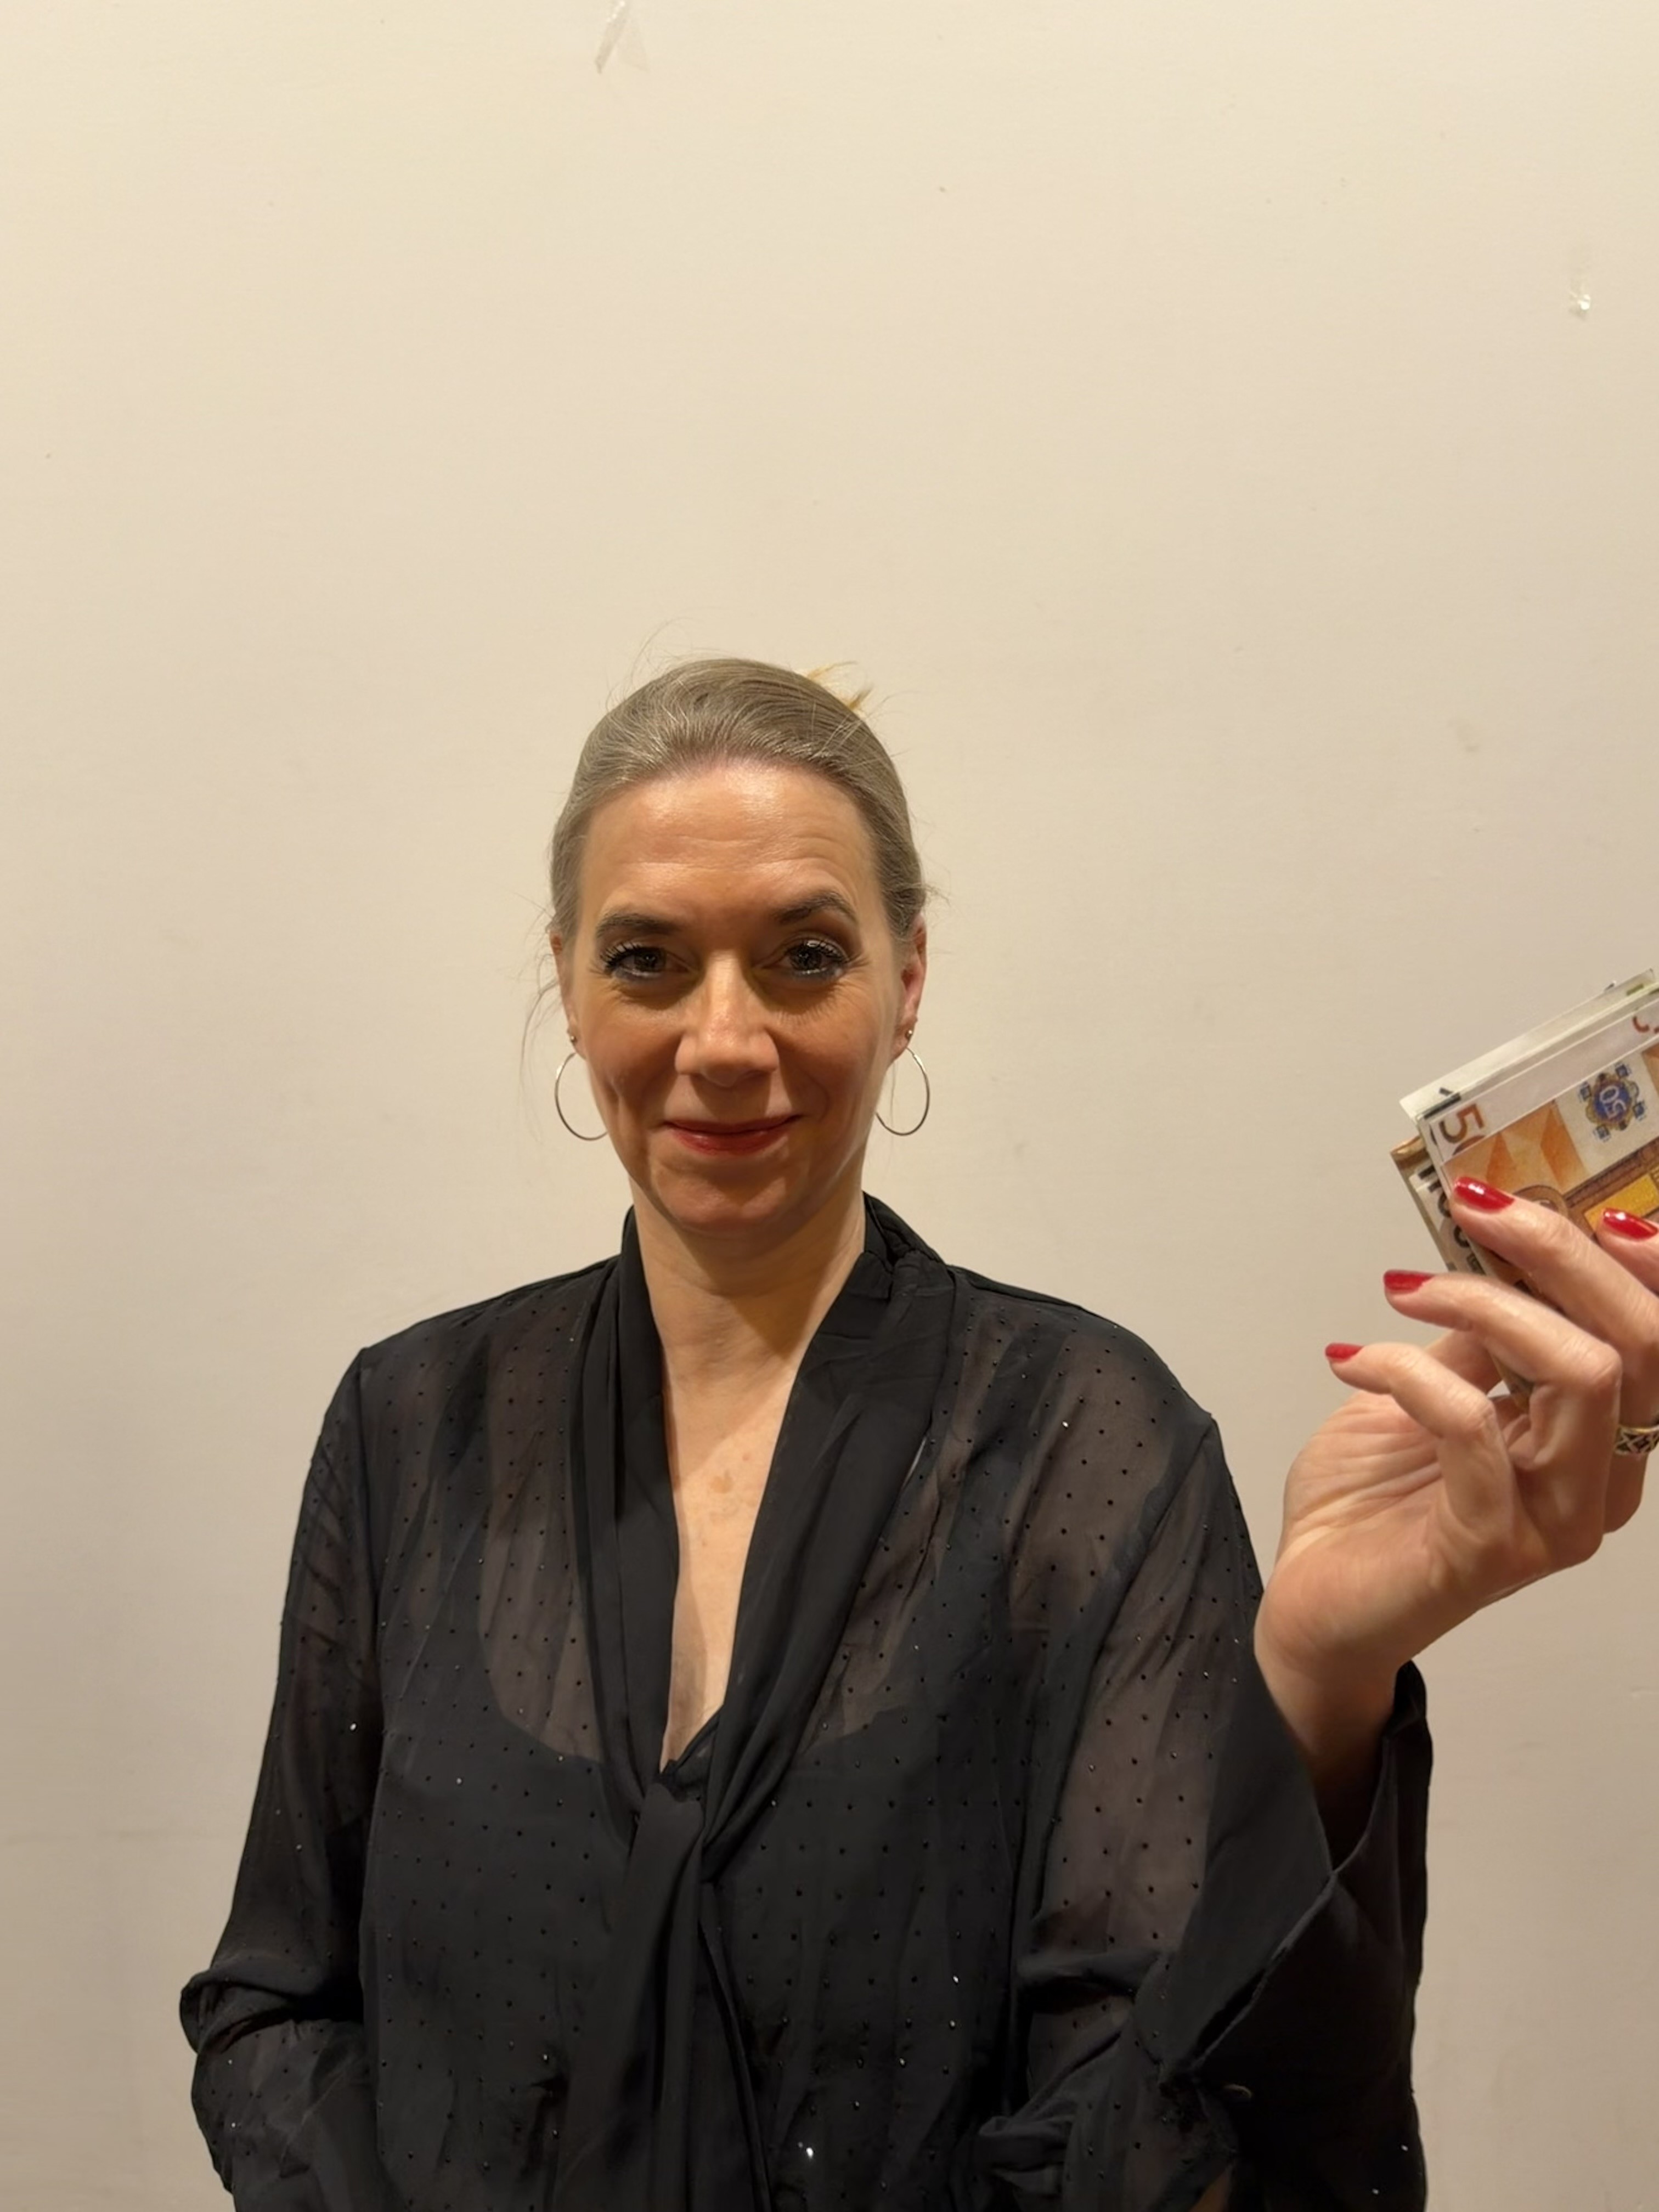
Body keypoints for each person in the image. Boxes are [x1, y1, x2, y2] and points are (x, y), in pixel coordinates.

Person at [180, 659, 1658, 2212]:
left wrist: (1317, 1686)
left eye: (805, 956)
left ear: (909, 980)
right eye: (649, 961)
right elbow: (274, 2010)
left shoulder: (1090, 1449)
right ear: (570, 983)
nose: (724, 1039)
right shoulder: (414, 1426)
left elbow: (1164, 2137)